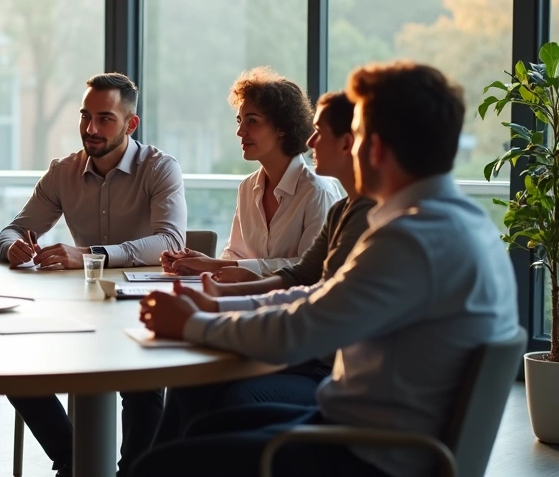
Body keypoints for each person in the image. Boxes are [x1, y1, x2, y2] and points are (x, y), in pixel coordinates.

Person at [133, 61, 519, 477]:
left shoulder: (411, 240)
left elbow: (300, 331)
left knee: (161, 464)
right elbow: (318, 295)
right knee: (203, 428)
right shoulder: (459, 223)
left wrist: (193, 325)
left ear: (376, 148)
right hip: (363, 432)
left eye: (359, 134)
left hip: (366, 455)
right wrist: (218, 307)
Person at [152, 91, 374, 446]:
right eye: (240, 121)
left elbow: (315, 305)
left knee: (217, 398)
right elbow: (298, 278)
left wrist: (209, 314)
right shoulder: (343, 210)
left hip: (325, 369)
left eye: (251, 121)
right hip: (310, 353)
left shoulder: (358, 211)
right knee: (189, 385)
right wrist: (218, 292)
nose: (311, 142)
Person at [0, 72, 187, 477]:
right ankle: (75, 459)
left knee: (142, 385)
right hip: (79, 309)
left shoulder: (160, 168)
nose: (91, 129)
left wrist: (89, 254)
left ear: (130, 124)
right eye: (85, 116)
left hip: (140, 309)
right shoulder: (62, 172)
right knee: (13, 367)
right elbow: (12, 230)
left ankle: (133, 472)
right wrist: (13, 247)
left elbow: (170, 241)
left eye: (105, 119)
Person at [164, 67, 342, 278]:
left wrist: (214, 265)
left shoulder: (317, 192)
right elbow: (235, 254)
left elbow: (310, 269)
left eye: (252, 121)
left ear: (282, 127)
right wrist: (200, 264)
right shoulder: (248, 187)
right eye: (240, 121)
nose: (240, 132)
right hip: (247, 294)